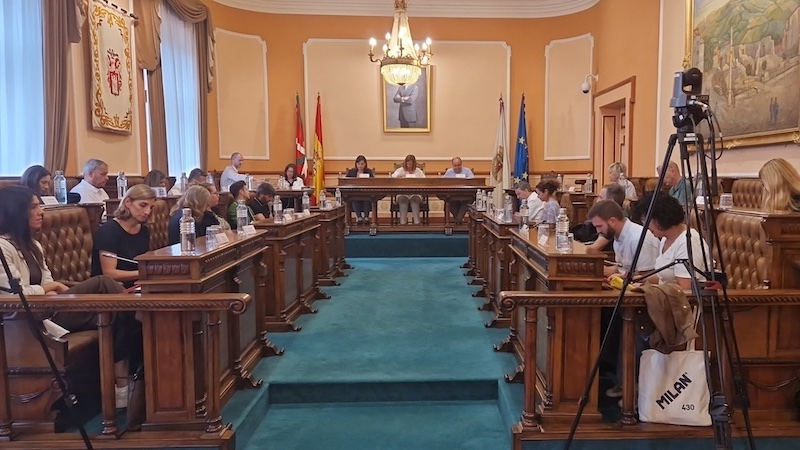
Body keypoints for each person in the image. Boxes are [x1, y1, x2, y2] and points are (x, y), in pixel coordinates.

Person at [0, 185, 135, 409]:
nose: (41, 212)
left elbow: (46, 280)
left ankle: (122, 386)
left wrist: (49, 288)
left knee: (115, 313)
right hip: (27, 321)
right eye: (33, 207)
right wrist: (49, 288)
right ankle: (138, 320)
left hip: (51, 307)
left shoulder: (33, 245)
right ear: (15, 211)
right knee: (103, 283)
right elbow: (13, 295)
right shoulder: (3, 248)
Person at [633, 191, 711, 288]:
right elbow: (664, 278)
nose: (645, 226)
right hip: (666, 295)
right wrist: (639, 279)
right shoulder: (665, 239)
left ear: (660, 217)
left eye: (646, 220)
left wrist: (647, 288)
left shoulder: (688, 242)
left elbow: (686, 288)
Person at [587, 199, 659, 278]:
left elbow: (647, 276)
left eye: (599, 226)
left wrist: (620, 275)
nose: (598, 231)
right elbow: (625, 267)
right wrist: (614, 269)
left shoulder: (638, 239)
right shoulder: (617, 235)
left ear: (612, 221)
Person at [391, 154, 425, 225]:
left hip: (415, 193)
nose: (409, 166)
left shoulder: (418, 171)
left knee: (415, 200)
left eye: (411, 164)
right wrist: (398, 177)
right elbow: (392, 178)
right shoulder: (400, 170)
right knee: (403, 200)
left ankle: (417, 223)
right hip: (402, 193)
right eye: (408, 164)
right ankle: (403, 223)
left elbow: (424, 181)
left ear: (414, 164)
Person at [443, 157, 474, 224]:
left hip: (466, 195)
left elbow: (473, 182)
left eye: (459, 165)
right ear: (452, 165)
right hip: (453, 195)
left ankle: (458, 220)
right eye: (455, 165)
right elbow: (443, 182)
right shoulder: (449, 172)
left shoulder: (467, 171)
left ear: (461, 164)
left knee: (468, 200)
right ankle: (459, 220)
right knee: (448, 201)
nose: (457, 167)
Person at [346, 155, 375, 224]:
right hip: (354, 194)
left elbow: (373, 182)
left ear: (365, 164)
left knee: (367, 199)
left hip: (366, 194)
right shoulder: (352, 172)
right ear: (356, 164)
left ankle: (366, 217)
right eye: (358, 164)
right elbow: (346, 182)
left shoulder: (369, 172)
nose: (360, 166)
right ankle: (359, 218)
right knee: (354, 199)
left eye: (362, 164)